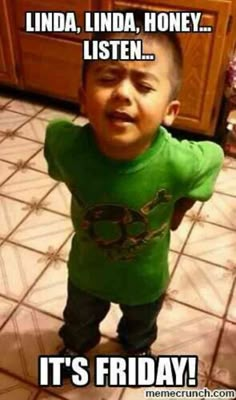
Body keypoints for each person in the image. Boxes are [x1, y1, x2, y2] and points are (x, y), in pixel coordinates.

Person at [44, 9, 224, 378]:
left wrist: (180, 208)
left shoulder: (178, 161)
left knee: (141, 325)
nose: (123, 93)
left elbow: (215, 157)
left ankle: (137, 349)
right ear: (83, 97)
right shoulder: (65, 146)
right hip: (86, 271)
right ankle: (75, 348)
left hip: (146, 278)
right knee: (78, 320)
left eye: (143, 86)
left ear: (170, 111)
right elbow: (55, 150)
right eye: (108, 78)